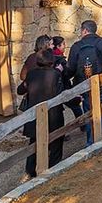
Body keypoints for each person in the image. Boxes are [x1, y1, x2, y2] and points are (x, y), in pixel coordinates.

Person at [66, 20, 102, 145]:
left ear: (84, 30)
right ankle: (93, 140)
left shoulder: (76, 46)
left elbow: (71, 69)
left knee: (89, 112)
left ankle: (91, 141)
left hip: (85, 84)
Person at [17, 49, 66, 178]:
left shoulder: (31, 74)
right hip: (53, 114)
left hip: (34, 115)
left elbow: (20, 90)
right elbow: (60, 94)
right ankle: (52, 168)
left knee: (34, 142)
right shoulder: (55, 75)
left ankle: (30, 171)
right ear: (52, 62)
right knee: (56, 140)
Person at [52, 36, 82, 119]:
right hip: (63, 87)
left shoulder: (49, 58)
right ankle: (83, 125)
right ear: (58, 46)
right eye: (63, 44)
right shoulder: (60, 60)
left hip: (53, 88)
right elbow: (66, 74)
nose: (65, 46)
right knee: (75, 106)